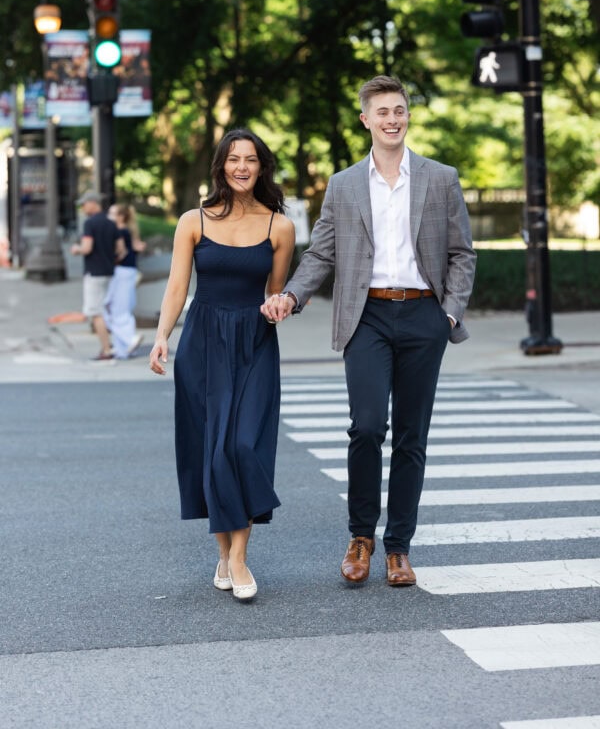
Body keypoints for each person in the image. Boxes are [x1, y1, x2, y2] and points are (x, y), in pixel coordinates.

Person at [261, 75, 476, 588]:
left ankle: (398, 547)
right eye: (382, 112)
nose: (392, 119)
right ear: (366, 120)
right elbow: (322, 253)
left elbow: (462, 253)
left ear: (407, 115)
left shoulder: (440, 178)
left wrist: (447, 313)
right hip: (367, 318)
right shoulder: (344, 184)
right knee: (366, 427)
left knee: (410, 435)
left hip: (424, 313)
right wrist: (292, 295)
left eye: (399, 110)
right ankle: (361, 536)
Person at [149, 128, 295, 601]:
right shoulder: (193, 221)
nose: (242, 167)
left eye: (250, 159)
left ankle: (238, 556)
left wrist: (281, 306)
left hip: (254, 341)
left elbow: (275, 292)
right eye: (233, 159)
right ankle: (228, 554)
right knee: (212, 450)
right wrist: (160, 338)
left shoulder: (280, 226)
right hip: (203, 342)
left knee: (244, 445)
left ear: (261, 167)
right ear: (220, 166)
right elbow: (177, 287)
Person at [71, 190, 125, 361]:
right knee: (108, 310)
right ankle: (119, 344)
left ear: (93, 203)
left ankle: (107, 349)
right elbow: (121, 250)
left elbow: (87, 247)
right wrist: (111, 260)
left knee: (96, 312)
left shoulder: (89, 223)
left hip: (94, 273)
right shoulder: (111, 224)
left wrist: (76, 249)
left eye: (84, 204)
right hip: (110, 272)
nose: (83, 207)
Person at [103, 204, 145, 359]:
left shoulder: (119, 231)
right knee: (122, 310)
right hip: (128, 271)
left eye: (112, 213)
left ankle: (129, 340)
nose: (109, 216)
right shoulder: (127, 230)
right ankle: (124, 349)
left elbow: (121, 251)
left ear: (120, 216)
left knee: (113, 309)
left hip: (122, 271)